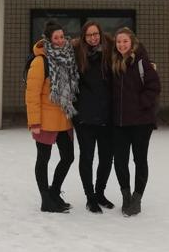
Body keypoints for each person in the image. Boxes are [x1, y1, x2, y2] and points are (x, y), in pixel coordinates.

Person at [25, 21, 79, 213]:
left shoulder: (67, 58)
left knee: (68, 157)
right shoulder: (40, 61)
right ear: (48, 39)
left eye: (62, 37)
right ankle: (45, 200)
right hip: (45, 120)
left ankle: (54, 191)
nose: (59, 40)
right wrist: (34, 122)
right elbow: (31, 94)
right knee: (43, 159)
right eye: (55, 37)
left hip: (64, 118)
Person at [109, 27, 160, 217]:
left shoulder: (141, 62)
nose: (121, 44)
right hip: (119, 123)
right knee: (120, 161)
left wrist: (140, 105)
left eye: (125, 41)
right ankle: (125, 196)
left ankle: (137, 199)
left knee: (139, 160)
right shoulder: (113, 63)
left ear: (132, 43)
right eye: (118, 42)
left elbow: (154, 87)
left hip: (141, 122)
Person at [73, 21, 115, 214]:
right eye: (89, 35)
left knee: (107, 158)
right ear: (84, 37)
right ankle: (90, 197)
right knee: (87, 157)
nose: (93, 38)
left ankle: (100, 192)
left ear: (100, 34)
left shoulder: (109, 53)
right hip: (85, 117)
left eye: (95, 34)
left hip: (107, 116)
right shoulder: (77, 55)